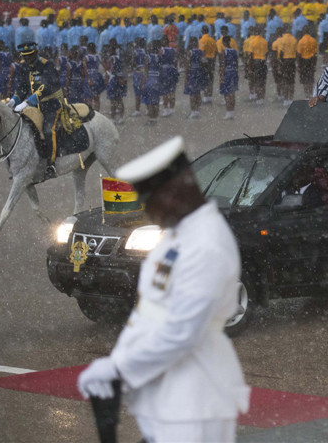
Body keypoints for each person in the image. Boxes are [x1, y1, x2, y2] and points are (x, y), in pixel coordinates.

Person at [77, 136, 251, 443]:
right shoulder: (177, 234)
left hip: (196, 396)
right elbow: (148, 312)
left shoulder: (207, 244)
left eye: (150, 200)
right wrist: (120, 361)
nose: (147, 211)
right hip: (167, 393)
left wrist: (120, 368)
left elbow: (182, 332)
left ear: (176, 192)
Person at [8, 40, 63, 179]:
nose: (27, 58)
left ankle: (51, 164)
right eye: (24, 56)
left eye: (30, 55)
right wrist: (14, 100)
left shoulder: (46, 65)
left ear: (36, 53)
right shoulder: (24, 67)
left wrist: (28, 101)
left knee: (48, 130)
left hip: (51, 104)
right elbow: (22, 87)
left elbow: (45, 87)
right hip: (33, 107)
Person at [218, 35, 239, 120]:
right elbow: (236, 63)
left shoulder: (224, 52)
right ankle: (232, 112)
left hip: (227, 73)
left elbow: (223, 65)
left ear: (223, 42)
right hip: (234, 72)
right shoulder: (234, 51)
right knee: (232, 93)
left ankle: (228, 111)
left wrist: (221, 76)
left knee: (226, 93)